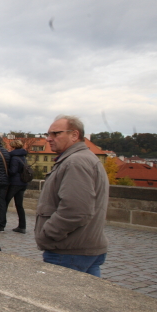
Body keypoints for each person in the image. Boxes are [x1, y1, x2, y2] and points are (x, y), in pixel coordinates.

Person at [35, 115, 109, 276]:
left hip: (69, 251)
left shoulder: (75, 162)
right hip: (82, 248)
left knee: (59, 299)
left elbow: (76, 210)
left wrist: (48, 233)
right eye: (48, 134)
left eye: (56, 134)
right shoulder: (83, 158)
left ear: (74, 135)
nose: (49, 139)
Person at [5, 139, 29, 233]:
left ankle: (0, 221)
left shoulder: (14, 157)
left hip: (15, 183)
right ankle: (22, 226)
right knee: (19, 205)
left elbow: (13, 171)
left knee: (5, 202)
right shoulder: (23, 156)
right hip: (23, 183)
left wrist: (7, 170)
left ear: (13, 147)